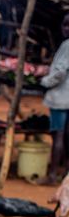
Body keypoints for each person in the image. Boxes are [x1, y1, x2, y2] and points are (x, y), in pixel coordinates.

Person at [40, 11, 69, 184]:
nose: (66, 28)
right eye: (64, 24)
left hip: (60, 98)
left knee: (58, 136)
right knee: (67, 136)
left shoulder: (67, 45)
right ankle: (66, 173)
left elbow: (59, 72)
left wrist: (44, 81)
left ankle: (52, 175)